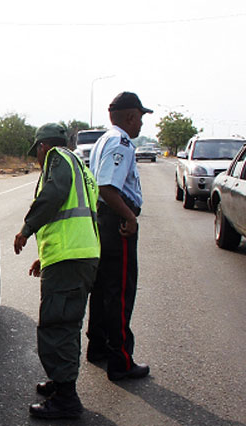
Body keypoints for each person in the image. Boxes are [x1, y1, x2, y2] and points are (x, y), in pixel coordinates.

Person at [14, 123, 100, 419]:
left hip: (70, 261)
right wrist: (45, 256)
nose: (39, 160)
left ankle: (66, 398)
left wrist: (27, 228)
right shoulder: (82, 168)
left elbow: (54, 195)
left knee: (57, 326)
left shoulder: (58, 159)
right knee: (66, 324)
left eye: (37, 153)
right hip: (77, 257)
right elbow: (72, 217)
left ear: (42, 147)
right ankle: (59, 382)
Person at [86, 92, 152, 381]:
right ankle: (121, 360)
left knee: (102, 288)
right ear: (129, 116)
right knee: (121, 291)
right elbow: (107, 187)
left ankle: (98, 346)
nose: (141, 124)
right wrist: (130, 217)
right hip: (116, 222)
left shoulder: (104, 139)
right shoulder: (121, 143)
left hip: (104, 219)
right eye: (140, 117)